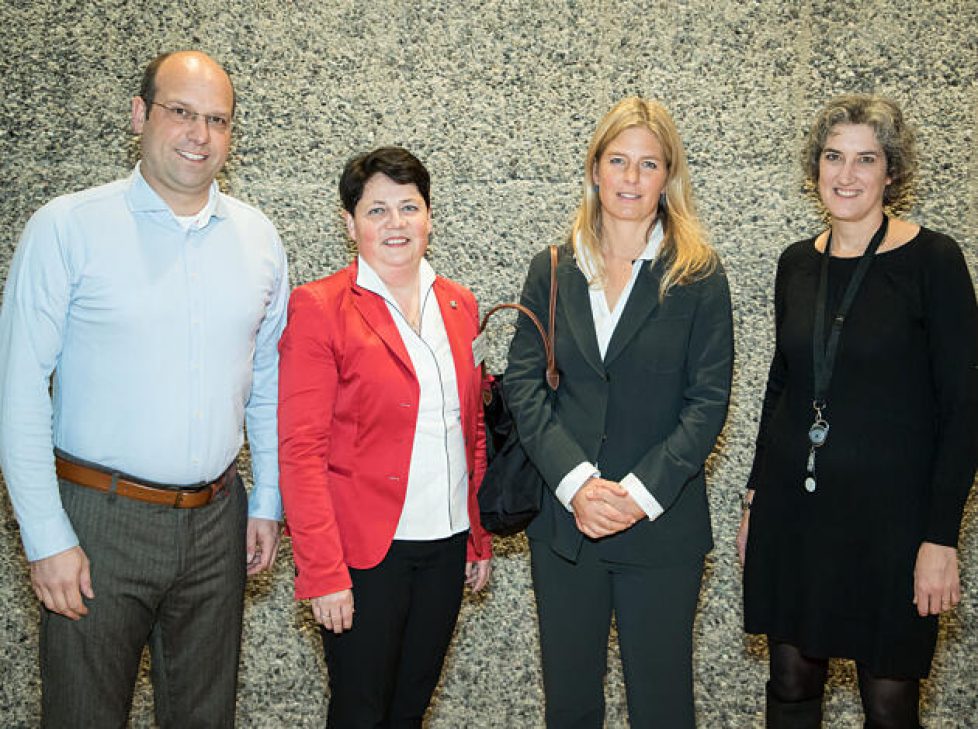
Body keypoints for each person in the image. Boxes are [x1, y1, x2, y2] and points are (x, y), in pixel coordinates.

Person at [0, 51, 288, 727]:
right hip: (97, 522)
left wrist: (267, 498)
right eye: (181, 112)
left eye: (217, 120)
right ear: (139, 115)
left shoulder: (259, 239)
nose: (199, 134)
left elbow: (268, 378)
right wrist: (45, 536)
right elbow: (16, 393)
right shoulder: (67, 228)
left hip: (219, 520)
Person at [738, 94, 978, 729]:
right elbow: (780, 387)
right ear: (814, 168)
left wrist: (941, 537)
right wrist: (755, 499)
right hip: (794, 512)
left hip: (894, 526)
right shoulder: (796, 262)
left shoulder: (935, 261)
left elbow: (965, 408)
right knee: (789, 684)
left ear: (890, 172)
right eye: (833, 157)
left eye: (865, 160)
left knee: (890, 701)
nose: (846, 176)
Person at [503, 97, 733, 728]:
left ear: (668, 177)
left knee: (662, 707)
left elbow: (708, 402)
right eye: (619, 161)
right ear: (595, 169)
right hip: (566, 529)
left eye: (649, 164)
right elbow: (524, 386)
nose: (631, 178)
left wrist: (635, 494)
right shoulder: (552, 267)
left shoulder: (699, 275)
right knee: (570, 707)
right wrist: (577, 484)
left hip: (659, 529)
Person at [277, 146, 492, 728]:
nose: (396, 224)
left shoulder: (460, 304)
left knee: (410, 711)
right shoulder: (319, 307)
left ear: (429, 217)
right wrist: (321, 570)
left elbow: (469, 429)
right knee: (360, 711)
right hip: (364, 553)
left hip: (445, 547)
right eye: (377, 211)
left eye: (409, 207)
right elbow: (300, 452)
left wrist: (476, 536)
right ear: (349, 224)